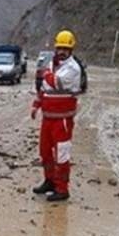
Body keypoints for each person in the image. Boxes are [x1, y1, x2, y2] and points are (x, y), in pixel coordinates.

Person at [31, 30, 82, 202]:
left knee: (62, 154)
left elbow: (55, 82)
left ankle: (62, 189)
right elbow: (44, 88)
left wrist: (45, 74)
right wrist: (36, 105)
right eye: (59, 48)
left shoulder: (73, 68)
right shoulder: (53, 64)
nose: (61, 51)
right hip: (48, 117)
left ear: (71, 50)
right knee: (45, 152)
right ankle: (50, 181)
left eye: (65, 49)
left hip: (63, 119)